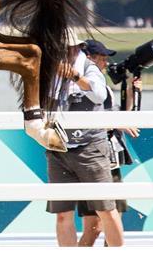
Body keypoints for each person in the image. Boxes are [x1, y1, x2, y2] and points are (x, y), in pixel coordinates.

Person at [46, 40, 124, 247]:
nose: (64, 52)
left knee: (106, 210)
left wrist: (74, 76)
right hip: (59, 147)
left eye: (69, 48)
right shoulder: (49, 69)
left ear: (78, 48)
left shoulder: (90, 68)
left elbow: (99, 95)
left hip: (90, 147)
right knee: (63, 215)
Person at [73, 40, 140, 246]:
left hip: (110, 158)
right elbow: (90, 121)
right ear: (88, 58)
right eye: (101, 58)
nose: (105, 63)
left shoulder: (101, 86)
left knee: (112, 218)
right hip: (94, 154)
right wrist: (117, 124)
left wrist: (131, 90)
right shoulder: (79, 87)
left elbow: (118, 114)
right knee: (94, 226)